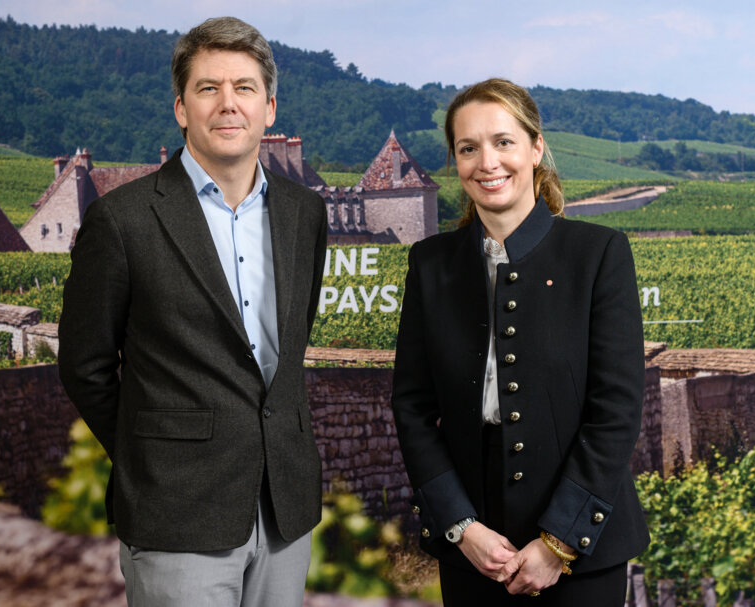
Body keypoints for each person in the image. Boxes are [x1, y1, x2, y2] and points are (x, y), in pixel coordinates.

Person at [58, 16, 328, 607]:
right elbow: (85, 366)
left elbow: (291, 344)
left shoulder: (305, 213)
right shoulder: (122, 220)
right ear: (182, 108)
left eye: (244, 88)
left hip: (283, 509)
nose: (228, 104)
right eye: (208, 89)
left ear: (270, 108)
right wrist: (157, 453)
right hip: (175, 510)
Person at [391, 78, 649, 606]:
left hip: (582, 544)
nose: (487, 162)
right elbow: (412, 407)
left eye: (503, 142)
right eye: (468, 148)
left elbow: (616, 408)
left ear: (535, 148)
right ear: (455, 162)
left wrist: (559, 542)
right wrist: (460, 526)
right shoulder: (430, 264)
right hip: (473, 544)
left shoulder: (599, 254)